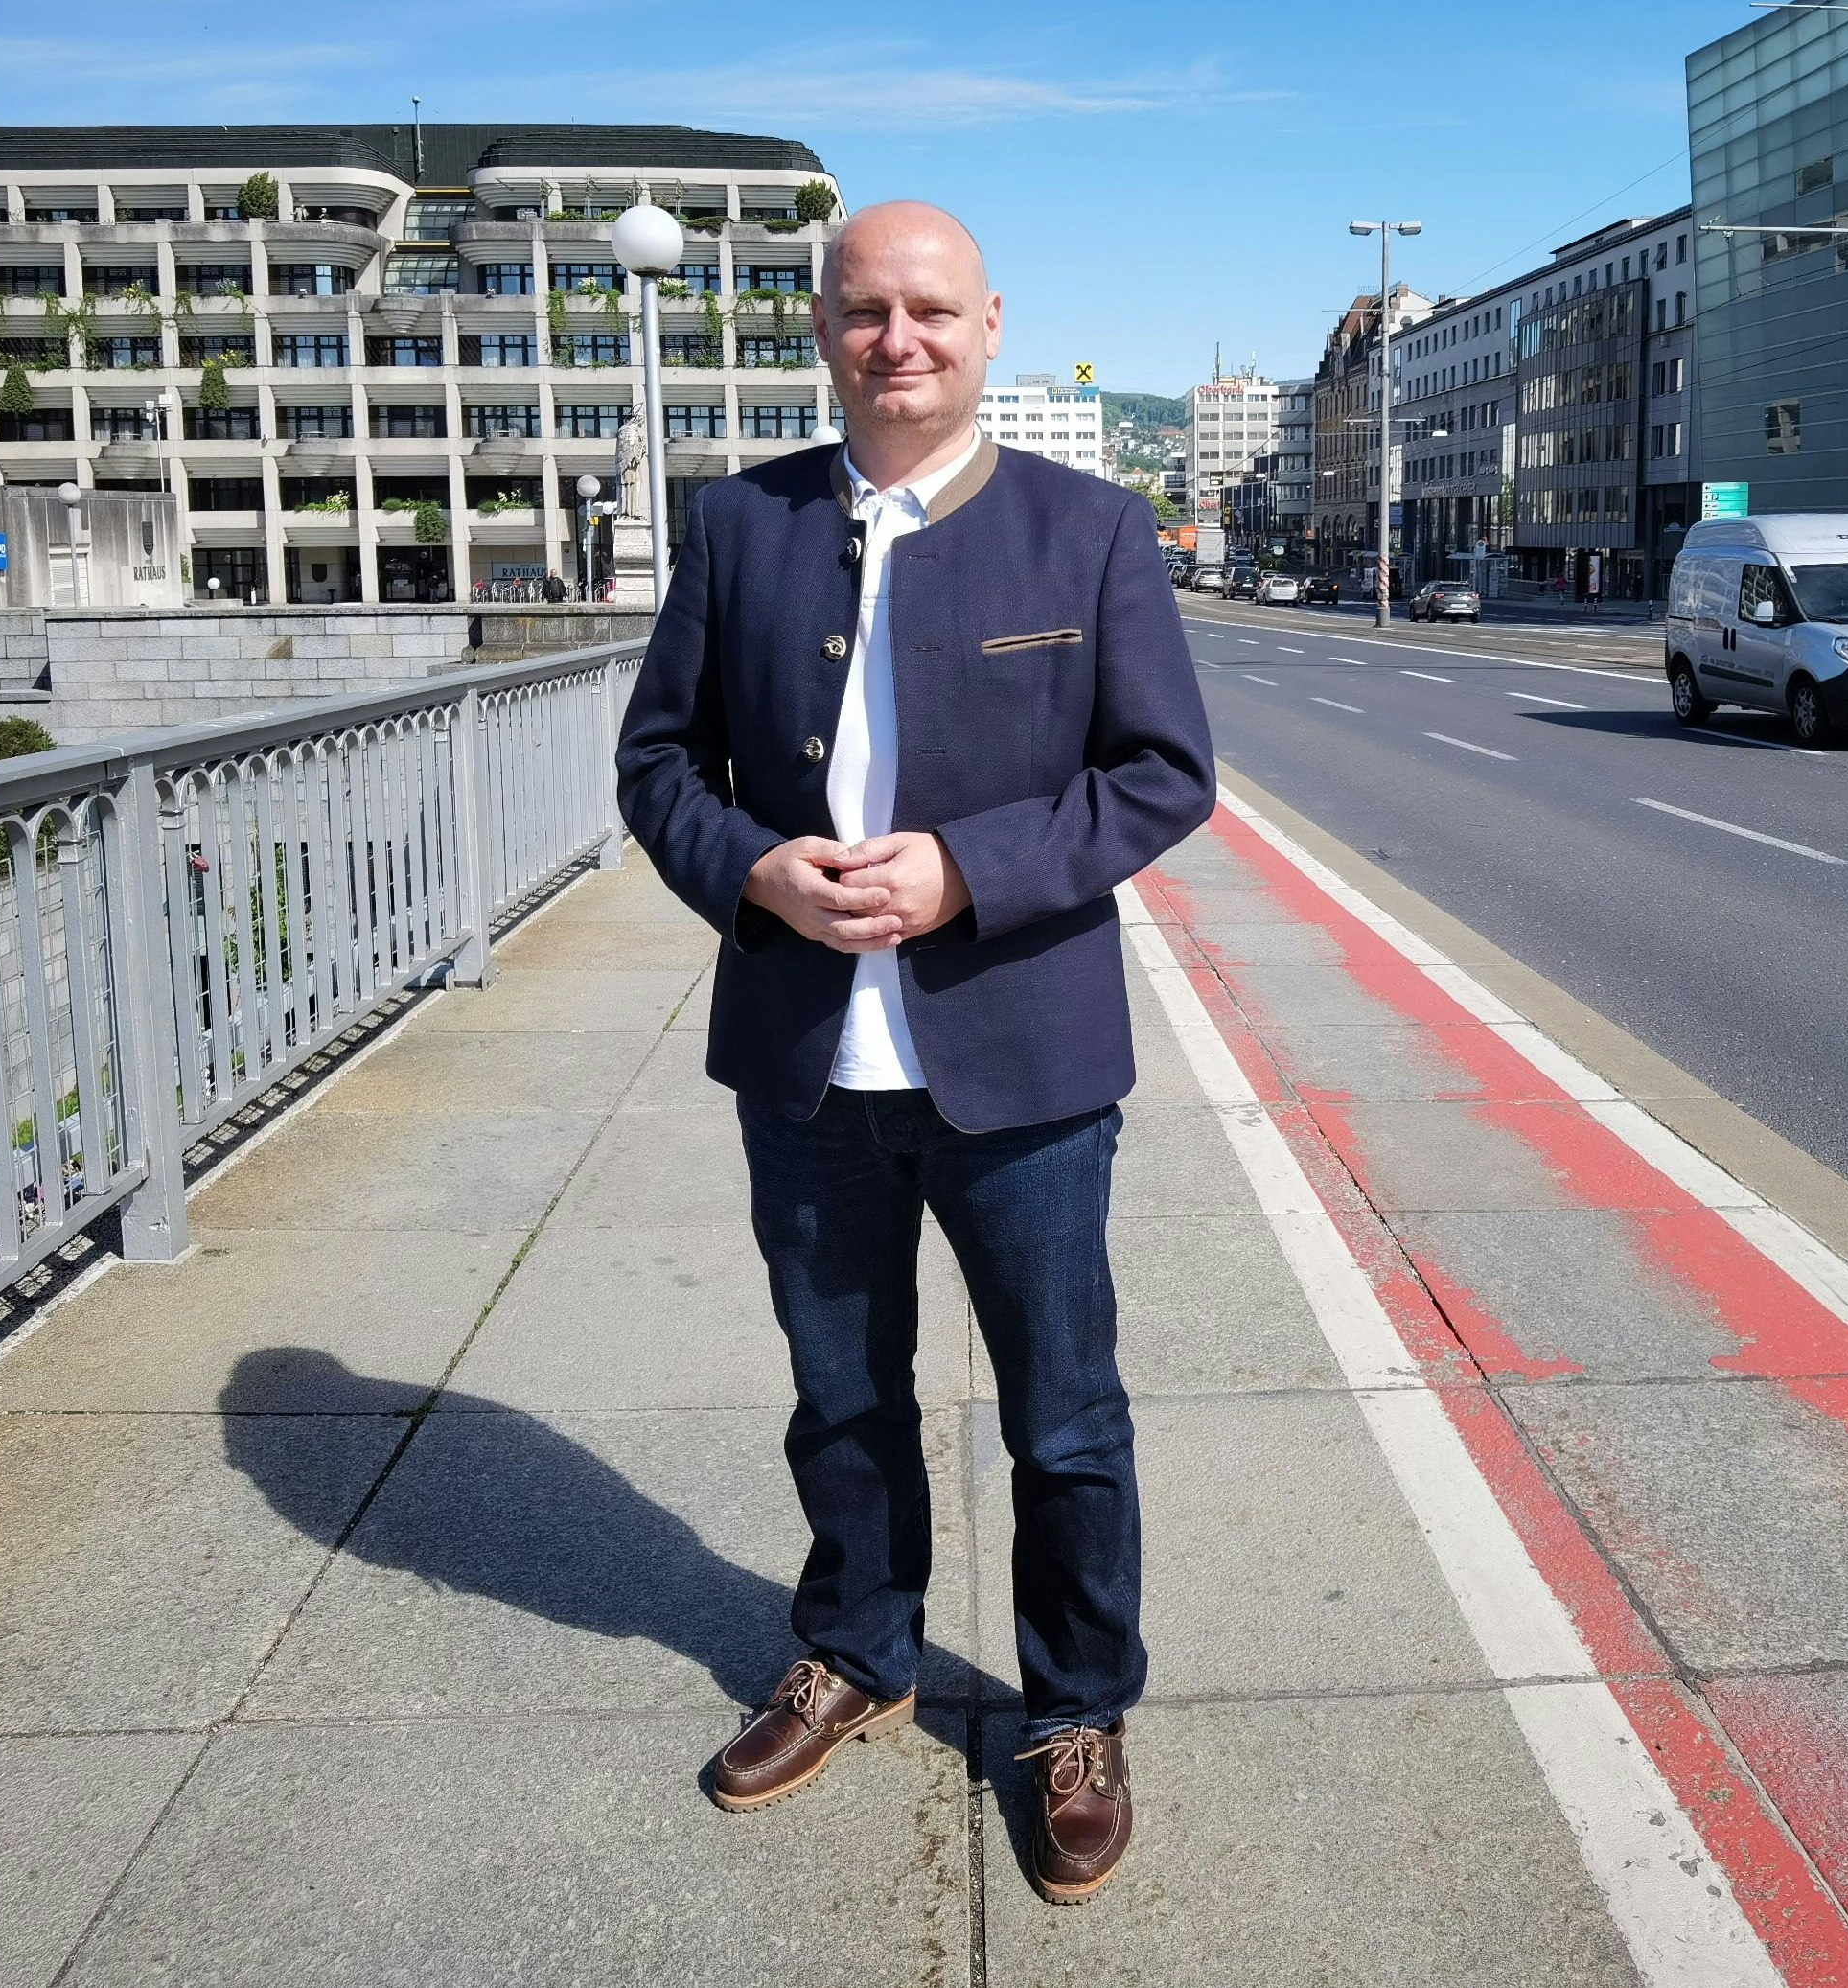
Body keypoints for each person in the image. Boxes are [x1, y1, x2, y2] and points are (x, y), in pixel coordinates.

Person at [616, 200, 1213, 1903]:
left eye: (932, 311)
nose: (900, 340)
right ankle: (858, 1650)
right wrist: (753, 867)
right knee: (841, 1394)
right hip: (808, 1066)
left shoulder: (1089, 528)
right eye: (867, 310)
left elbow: (1163, 773)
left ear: (989, 325)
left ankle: (1076, 1705)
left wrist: (965, 868)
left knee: (1066, 1415)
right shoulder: (738, 525)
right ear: (822, 327)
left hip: (1022, 1062)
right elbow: (658, 764)